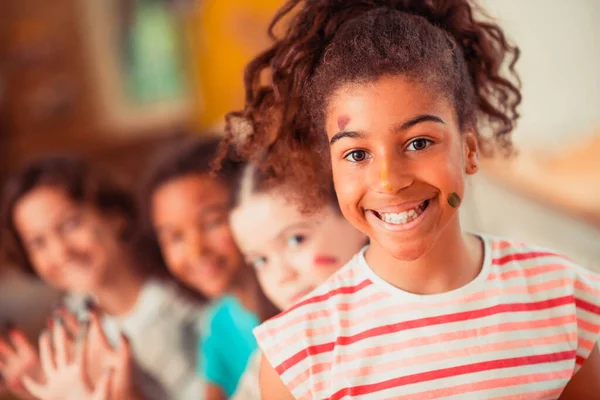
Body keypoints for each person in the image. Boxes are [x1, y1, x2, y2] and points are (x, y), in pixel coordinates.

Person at [217, 0, 600, 398]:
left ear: (469, 150)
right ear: (331, 167)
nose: (389, 180)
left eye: (418, 142)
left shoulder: (563, 298)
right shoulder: (297, 353)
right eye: (356, 154)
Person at [0, 155, 202, 399]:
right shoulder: (71, 320)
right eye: (38, 243)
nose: (61, 252)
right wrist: (42, 388)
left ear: (114, 216)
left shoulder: (184, 299)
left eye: (70, 224)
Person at [141, 137, 275, 400]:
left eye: (212, 223)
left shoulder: (301, 301)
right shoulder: (218, 325)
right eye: (175, 237)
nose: (195, 251)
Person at [227, 162, 367, 399]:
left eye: (295, 240)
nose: (282, 276)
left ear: (354, 215)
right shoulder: (272, 365)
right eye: (260, 260)